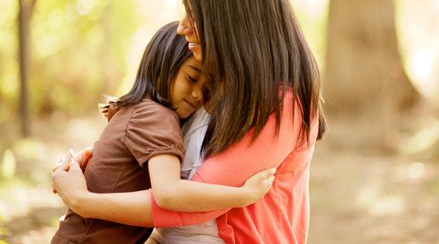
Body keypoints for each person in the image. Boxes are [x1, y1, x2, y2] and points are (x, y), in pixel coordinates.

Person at [52, 0, 326, 244]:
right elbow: (156, 161)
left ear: (231, 24)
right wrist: (91, 165)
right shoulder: (208, 91)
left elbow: (186, 204)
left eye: (194, 16)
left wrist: (83, 199)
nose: (182, 27)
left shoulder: (282, 104)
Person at [51, 21, 275, 244]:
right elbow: (168, 192)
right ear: (163, 64)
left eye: (207, 89)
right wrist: (243, 196)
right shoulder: (158, 116)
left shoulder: (136, 109)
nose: (198, 94)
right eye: (191, 78)